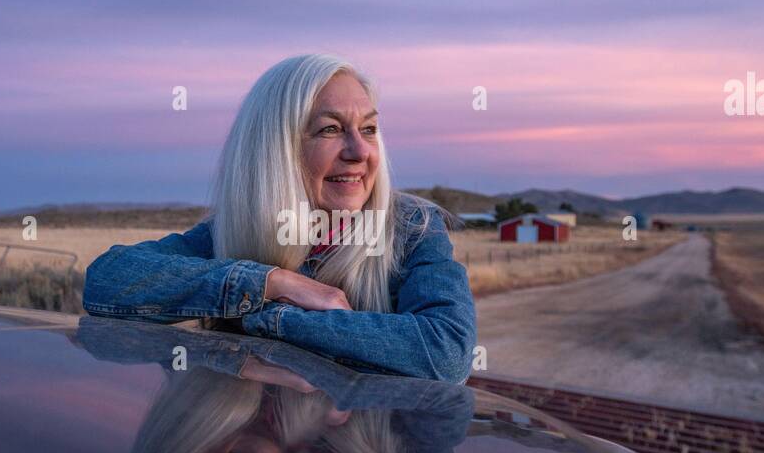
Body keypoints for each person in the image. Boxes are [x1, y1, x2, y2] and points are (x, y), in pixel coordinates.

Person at [82, 53, 477, 383]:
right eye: (330, 129)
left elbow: (446, 352)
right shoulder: (238, 229)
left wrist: (273, 319)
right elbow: (108, 280)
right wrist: (271, 281)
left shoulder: (414, 228)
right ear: (277, 149)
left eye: (369, 129)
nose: (360, 151)